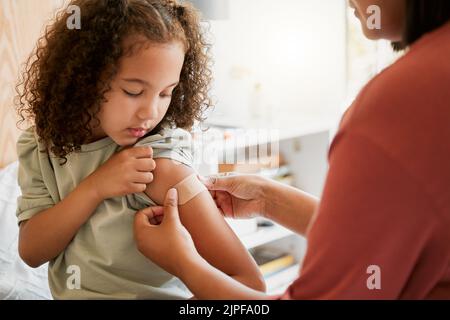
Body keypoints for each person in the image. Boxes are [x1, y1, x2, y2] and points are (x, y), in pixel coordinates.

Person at [134, 0, 450, 299]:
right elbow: (386, 241)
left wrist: (185, 264)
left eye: (166, 93)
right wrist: (269, 200)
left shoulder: (398, 105)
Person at [15, 0, 265, 299]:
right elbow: (31, 252)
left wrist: (186, 265)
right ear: (86, 78)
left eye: (166, 93)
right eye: (134, 91)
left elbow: (250, 285)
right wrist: (95, 188)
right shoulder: (43, 146)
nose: (150, 112)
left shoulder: (159, 166)